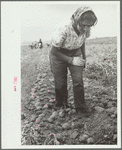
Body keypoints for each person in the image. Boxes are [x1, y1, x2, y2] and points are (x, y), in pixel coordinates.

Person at [49, 6, 98, 115]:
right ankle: (61, 105)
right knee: (60, 83)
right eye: (84, 25)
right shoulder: (64, 28)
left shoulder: (87, 28)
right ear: (77, 20)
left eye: (89, 26)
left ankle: (80, 108)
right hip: (59, 53)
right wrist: (71, 60)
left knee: (78, 81)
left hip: (76, 51)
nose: (86, 28)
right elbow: (54, 51)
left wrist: (84, 58)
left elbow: (82, 42)